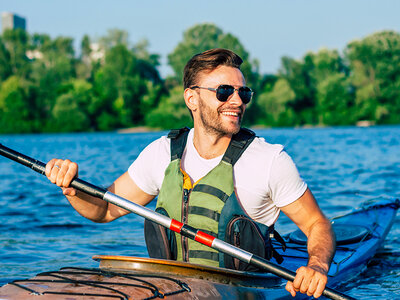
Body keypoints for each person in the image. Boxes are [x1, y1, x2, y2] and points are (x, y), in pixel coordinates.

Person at [45, 48, 335, 298]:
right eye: (224, 91)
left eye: (243, 93)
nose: (236, 101)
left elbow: (316, 224)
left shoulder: (269, 160)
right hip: (169, 288)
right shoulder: (162, 153)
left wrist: (317, 267)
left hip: (244, 291)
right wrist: (72, 189)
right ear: (191, 98)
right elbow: (105, 209)